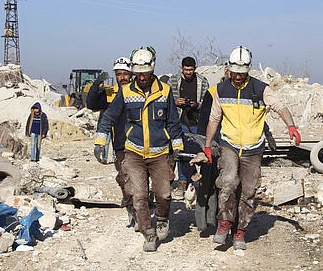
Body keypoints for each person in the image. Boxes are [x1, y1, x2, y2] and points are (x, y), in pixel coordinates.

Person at [203, 45, 301, 250]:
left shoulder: (261, 89)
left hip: (253, 149)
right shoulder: (221, 90)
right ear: (229, 70)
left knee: (248, 191)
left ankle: (239, 232)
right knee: (228, 182)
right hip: (229, 144)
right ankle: (224, 224)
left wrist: (291, 126)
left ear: (247, 70)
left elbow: (280, 107)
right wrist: (207, 145)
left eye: (242, 73)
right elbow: (214, 118)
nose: (238, 77)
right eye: (235, 73)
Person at [94, 47, 184, 252]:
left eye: (145, 72)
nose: (141, 77)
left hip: (160, 152)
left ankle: (162, 218)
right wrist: (100, 142)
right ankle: (148, 233)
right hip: (133, 152)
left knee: (164, 194)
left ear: (152, 70)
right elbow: (109, 117)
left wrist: (177, 148)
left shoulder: (165, 91)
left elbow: (172, 122)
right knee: (139, 195)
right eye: (138, 73)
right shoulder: (125, 92)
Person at [87, 57, 135, 228]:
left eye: (125, 74)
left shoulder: (137, 92)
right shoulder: (111, 93)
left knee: (139, 178)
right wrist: (96, 85)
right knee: (123, 176)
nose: (122, 77)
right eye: (118, 74)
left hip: (139, 142)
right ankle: (131, 207)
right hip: (120, 143)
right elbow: (91, 104)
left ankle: (139, 203)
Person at [168, 56, 209, 200]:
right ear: (181, 68)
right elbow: (166, 100)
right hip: (179, 122)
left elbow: (207, 102)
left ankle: (197, 184)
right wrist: (176, 102)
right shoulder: (173, 81)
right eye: (186, 70)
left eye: (191, 70)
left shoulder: (202, 82)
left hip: (197, 122)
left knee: (199, 153)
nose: (188, 72)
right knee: (181, 153)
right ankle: (182, 183)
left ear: (195, 69)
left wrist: (196, 105)